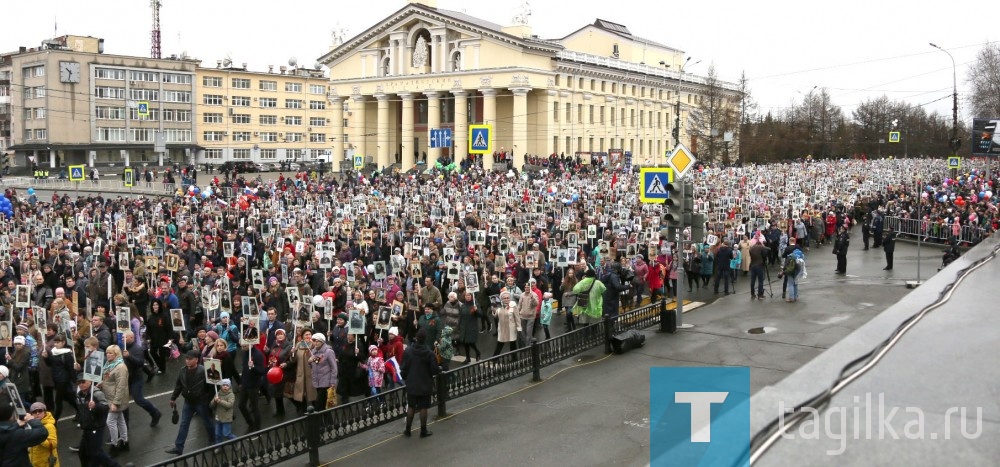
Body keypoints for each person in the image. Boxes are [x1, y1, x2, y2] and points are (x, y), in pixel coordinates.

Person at [166, 350, 216, 455]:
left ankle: (213, 441)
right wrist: (173, 398)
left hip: (201, 402)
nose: (187, 361)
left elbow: (211, 386)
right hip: (188, 402)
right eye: (186, 359)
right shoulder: (182, 371)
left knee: (207, 422)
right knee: (184, 424)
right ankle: (179, 447)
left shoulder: (204, 370)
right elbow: (179, 385)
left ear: (197, 360)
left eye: (190, 359)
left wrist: (208, 400)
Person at [401, 328, 439, 438]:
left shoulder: (408, 351)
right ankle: (423, 430)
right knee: (423, 407)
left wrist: (406, 378)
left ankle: (408, 430)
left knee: (411, 406)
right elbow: (434, 370)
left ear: (416, 338)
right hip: (425, 383)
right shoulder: (429, 353)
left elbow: (403, 368)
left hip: (412, 383)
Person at [74, 376, 120, 466]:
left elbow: (105, 408)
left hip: (96, 427)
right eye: (79, 383)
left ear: (90, 382)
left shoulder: (96, 394)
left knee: (96, 453)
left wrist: (96, 406)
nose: (81, 384)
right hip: (87, 427)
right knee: (83, 453)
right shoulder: (80, 394)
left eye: (83, 382)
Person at [123, 330, 162, 428]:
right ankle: (124, 424)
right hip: (126, 378)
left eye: (125, 337)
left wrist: (129, 356)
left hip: (135, 379)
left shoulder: (137, 349)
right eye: (123, 337)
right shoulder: (123, 347)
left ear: (131, 338)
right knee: (123, 401)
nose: (123, 339)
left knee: (139, 399)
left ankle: (155, 413)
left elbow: (140, 363)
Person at [0, 394, 49, 466]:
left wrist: (16, 425)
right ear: (10, 416)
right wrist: (31, 420)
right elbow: (42, 433)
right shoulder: (15, 435)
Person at [101, 344, 129, 454]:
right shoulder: (110, 364)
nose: (107, 355)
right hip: (110, 397)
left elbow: (121, 386)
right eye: (107, 353)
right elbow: (108, 378)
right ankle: (125, 441)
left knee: (110, 421)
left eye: (110, 353)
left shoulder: (120, 367)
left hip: (115, 399)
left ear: (116, 354)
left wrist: (115, 403)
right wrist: (102, 383)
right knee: (120, 420)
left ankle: (114, 444)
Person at [239, 343, 265, 432]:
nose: (242, 347)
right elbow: (244, 369)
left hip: (253, 385)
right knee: (241, 405)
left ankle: (257, 429)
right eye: (241, 346)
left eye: (244, 345)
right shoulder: (244, 353)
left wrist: (253, 366)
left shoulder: (258, 355)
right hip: (245, 383)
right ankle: (250, 423)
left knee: (254, 408)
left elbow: (262, 371)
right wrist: (241, 381)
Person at [309, 333, 338, 411]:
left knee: (319, 405)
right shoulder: (313, 351)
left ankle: (319, 422)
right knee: (324, 405)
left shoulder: (328, 351)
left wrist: (332, 382)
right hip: (317, 382)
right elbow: (315, 366)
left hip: (326, 381)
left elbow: (334, 368)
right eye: (314, 341)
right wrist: (310, 362)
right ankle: (328, 422)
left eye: (317, 341)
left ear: (322, 341)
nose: (315, 343)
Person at [27, 402, 59, 467]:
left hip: (47, 463)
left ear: (45, 412)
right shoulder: (30, 426)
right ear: (31, 414)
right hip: (35, 462)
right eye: (34, 412)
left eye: (40, 411)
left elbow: (53, 444)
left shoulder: (49, 426)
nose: (37, 413)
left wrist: (39, 437)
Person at [492, 290, 520, 356]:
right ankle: (494, 359)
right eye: (505, 298)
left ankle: (514, 358)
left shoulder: (513, 306)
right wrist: (493, 311)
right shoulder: (499, 306)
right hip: (502, 328)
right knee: (500, 343)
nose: (507, 299)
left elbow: (517, 318)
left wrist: (519, 328)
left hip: (511, 328)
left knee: (513, 344)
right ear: (502, 299)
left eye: (508, 298)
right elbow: (496, 316)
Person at [211, 379, 237, 443]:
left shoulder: (231, 395)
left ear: (229, 386)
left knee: (226, 434)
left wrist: (220, 401)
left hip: (226, 418)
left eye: (227, 385)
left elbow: (229, 405)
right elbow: (211, 406)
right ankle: (219, 446)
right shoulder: (218, 394)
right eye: (223, 385)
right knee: (217, 434)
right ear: (221, 386)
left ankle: (236, 441)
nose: (225, 387)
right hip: (218, 417)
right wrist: (214, 400)